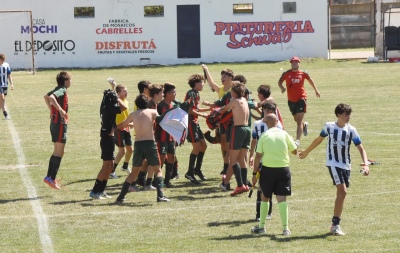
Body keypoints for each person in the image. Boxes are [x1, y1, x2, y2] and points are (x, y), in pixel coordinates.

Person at [298, 103, 370, 236]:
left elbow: (361, 147)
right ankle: (336, 225)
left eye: (349, 114)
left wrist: (365, 163)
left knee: (342, 195)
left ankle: (335, 224)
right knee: (342, 190)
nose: (348, 116)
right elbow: (318, 140)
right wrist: (307, 151)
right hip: (332, 163)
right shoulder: (329, 126)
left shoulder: (351, 130)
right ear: (338, 115)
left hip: (346, 165)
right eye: (346, 114)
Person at [116, 94, 169, 203]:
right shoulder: (152, 112)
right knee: (158, 170)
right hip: (150, 143)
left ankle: (121, 196)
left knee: (134, 172)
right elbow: (162, 121)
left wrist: (116, 125)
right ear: (147, 103)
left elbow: (122, 125)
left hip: (138, 144)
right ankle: (160, 196)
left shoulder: (133, 114)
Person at [251, 113, 297, 235]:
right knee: (282, 199)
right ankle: (285, 228)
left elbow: (258, 156)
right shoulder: (285, 134)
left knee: (265, 198)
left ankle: (261, 227)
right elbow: (294, 151)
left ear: (266, 123)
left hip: (268, 170)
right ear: (277, 121)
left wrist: (254, 173)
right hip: (283, 170)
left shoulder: (264, 136)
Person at [89, 82, 127, 199]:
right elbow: (124, 107)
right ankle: (95, 191)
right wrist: (116, 96)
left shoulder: (106, 105)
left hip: (108, 138)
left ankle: (101, 190)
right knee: (106, 166)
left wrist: (113, 91)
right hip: (107, 139)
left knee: (110, 166)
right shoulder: (110, 108)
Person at [249, 102, 284, 221]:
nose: (269, 114)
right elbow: (254, 139)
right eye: (267, 111)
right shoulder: (257, 124)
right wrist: (251, 155)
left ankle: (268, 213)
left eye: (271, 112)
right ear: (263, 110)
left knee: (268, 187)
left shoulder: (277, 125)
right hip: (261, 159)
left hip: (272, 160)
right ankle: (259, 214)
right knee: (260, 187)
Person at [216, 82, 251, 196]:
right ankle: (245, 184)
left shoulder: (234, 101)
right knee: (242, 158)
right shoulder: (245, 100)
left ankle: (240, 185)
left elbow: (223, 110)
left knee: (233, 158)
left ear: (234, 93)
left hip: (238, 129)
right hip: (247, 129)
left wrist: (213, 111)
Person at [278, 56, 320, 147]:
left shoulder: (303, 73)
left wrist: (316, 90)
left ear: (299, 63)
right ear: (291, 63)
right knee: (296, 119)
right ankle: (304, 126)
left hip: (301, 98)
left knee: (298, 121)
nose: (294, 63)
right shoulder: (286, 73)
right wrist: (282, 88)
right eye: (293, 62)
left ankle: (297, 141)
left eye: (296, 62)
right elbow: (280, 81)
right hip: (291, 100)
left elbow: (310, 80)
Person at [201, 65, 234, 178]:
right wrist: (206, 70)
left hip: (230, 119)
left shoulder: (233, 89)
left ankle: (230, 166)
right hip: (221, 119)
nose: (222, 78)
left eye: (225, 76)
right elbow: (211, 81)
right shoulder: (220, 89)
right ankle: (225, 166)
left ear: (231, 77)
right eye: (222, 76)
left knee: (229, 143)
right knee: (223, 143)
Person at [43, 71, 72, 190]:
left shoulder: (58, 88)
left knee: (57, 151)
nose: (71, 81)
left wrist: (51, 109)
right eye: (70, 79)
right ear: (65, 81)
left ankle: (49, 177)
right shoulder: (62, 90)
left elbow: (46, 96)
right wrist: (59, 110)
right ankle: (51, 178)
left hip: (54, 123)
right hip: (59, 123)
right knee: (59, 152)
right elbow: (50, 97)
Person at [184, 73, 209, 184]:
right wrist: (203, 115)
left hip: (195, 123)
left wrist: (210, 109)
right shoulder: (191, 93)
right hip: (190, 123)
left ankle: (197, 170)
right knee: (197, 146)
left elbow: (197, 108)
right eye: (202, 82)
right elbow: (190, 110)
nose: (203, 84)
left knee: (203, 145)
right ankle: (190, 172)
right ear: (197, 83)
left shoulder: (196, 93)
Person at [109, 81, 133, 179]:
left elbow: (126, 116)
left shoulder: (126, 102)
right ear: (118, 94)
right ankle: (111, 171)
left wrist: (130, 123)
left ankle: (125, 166)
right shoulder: (117, 102)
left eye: (126, 91)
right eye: (124, 91)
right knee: (122, 151)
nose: (126, 93)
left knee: (130, 150)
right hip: (118, 129)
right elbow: (111, 96)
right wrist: (113, 86)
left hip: (126, 128)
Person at [156, 83, 177, 188]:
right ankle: (156, 180)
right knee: (162, 158)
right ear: (167, 94)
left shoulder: (173, 105)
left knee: (171, 157)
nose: (175, 94)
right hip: (162, 137)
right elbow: (158, 121)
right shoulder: (160, 106)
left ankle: (167, 181)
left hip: (171, 137)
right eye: (173, 92)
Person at [0, 53, 14, 120]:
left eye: (3, 60)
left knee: (2, 100)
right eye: (2, 60)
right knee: (2, 98)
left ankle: (5, 115)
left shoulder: (6, 65)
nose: (3, 61)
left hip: (5, 85)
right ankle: (5, 114)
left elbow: (9, 75)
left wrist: (12, 84)